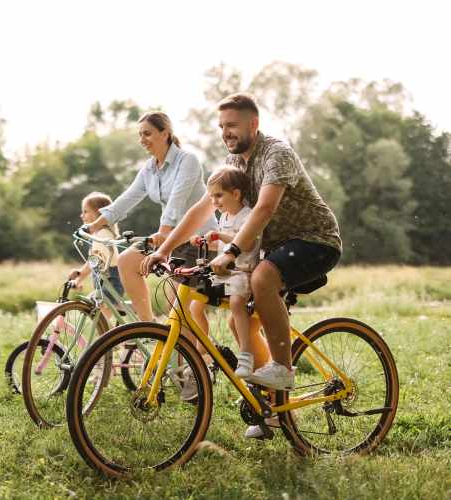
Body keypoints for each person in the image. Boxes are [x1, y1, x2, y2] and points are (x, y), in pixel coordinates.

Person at [142, 93, 342, 433]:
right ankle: (271, 407)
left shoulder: (277, 154)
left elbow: (265, 208)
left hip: (315, 240)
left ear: (253, 124)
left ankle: (283, 368)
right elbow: (202, 209)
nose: (226, 132)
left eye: (232, 125)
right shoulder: (233, 165)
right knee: (242, 323)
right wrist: (165, 249)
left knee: (263, 279)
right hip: (274, 247)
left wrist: (232, 251)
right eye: (222, 126)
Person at [85, 111, 217, 332]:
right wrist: (96, 224)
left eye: (147, 133)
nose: (142, 140)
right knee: (128, 260)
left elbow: (177, 200)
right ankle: (150, 329)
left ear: (165, 133)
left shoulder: (188, 161)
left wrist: (164, 231)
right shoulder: (149, 168)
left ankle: (196, 359)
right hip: (170, 239)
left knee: (178, 309)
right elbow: (127, 198)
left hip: (199, 242)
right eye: (140, 134)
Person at [190, 166, 268, 376]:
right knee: (195, 302)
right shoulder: (224, 217)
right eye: (211, 196)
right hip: (225, 270)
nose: (214, 201)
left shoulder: (247, 216)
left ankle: (245, 354)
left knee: (236, 303)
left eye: (218, 195)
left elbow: (248, 245)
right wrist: (206, 241)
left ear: (235, 194)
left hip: (244, 271)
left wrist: (220, 237)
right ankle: (201, 352)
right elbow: (223, 248)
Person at [68, 191, 124, 320]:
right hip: (105, 284)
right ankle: (118, 339)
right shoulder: (98, 235)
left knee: (101, 320)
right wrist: (79, 277)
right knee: (96, 317)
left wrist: (79, 278)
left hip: (111, 284)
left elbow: (93, 262)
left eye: (86, 211)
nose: (82, 215)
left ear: (98, 213)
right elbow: (92, 262)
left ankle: (117, 339)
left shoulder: (103, 235)